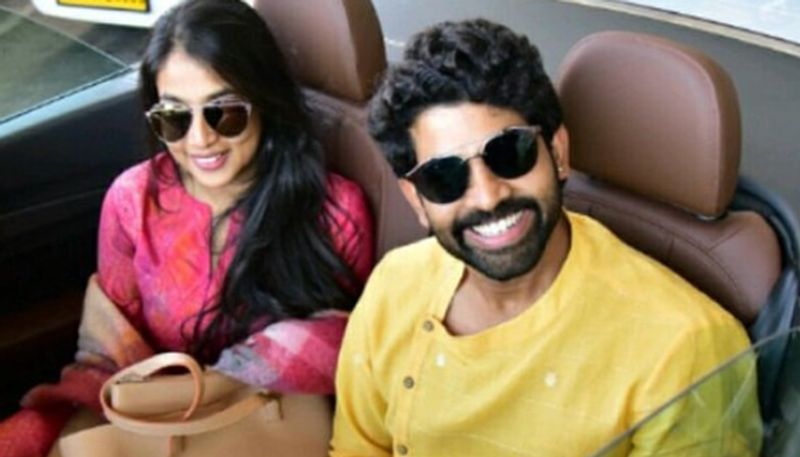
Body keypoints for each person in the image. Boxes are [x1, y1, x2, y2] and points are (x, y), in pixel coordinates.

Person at [330, 19, 759, 456]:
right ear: (417, 201)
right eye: (443, 177)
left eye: (509, 153)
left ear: (557, 153)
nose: (488, 196)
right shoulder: (395, 285)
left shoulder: (685, 348)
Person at [0, 0, 373, 455]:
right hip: (155, 421)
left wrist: (239, 372)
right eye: (175, 118)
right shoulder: (133, 200)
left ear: (264, 102)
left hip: (271, 432)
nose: (200, 139)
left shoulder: (334, 210)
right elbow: (109, 353)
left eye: (224, 112)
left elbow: (355, 348)